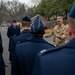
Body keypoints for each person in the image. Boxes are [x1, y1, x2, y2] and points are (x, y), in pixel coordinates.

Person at [32, 3, 75, 75]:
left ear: (62, 21)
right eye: (57, 21)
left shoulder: (64, 28)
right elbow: (51, 33)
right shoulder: (55, 27)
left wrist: (59, 36)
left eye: (59, 21)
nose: (58, 22)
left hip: (61, 45)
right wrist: (45, 35)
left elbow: (64, 36)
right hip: (55, 44)